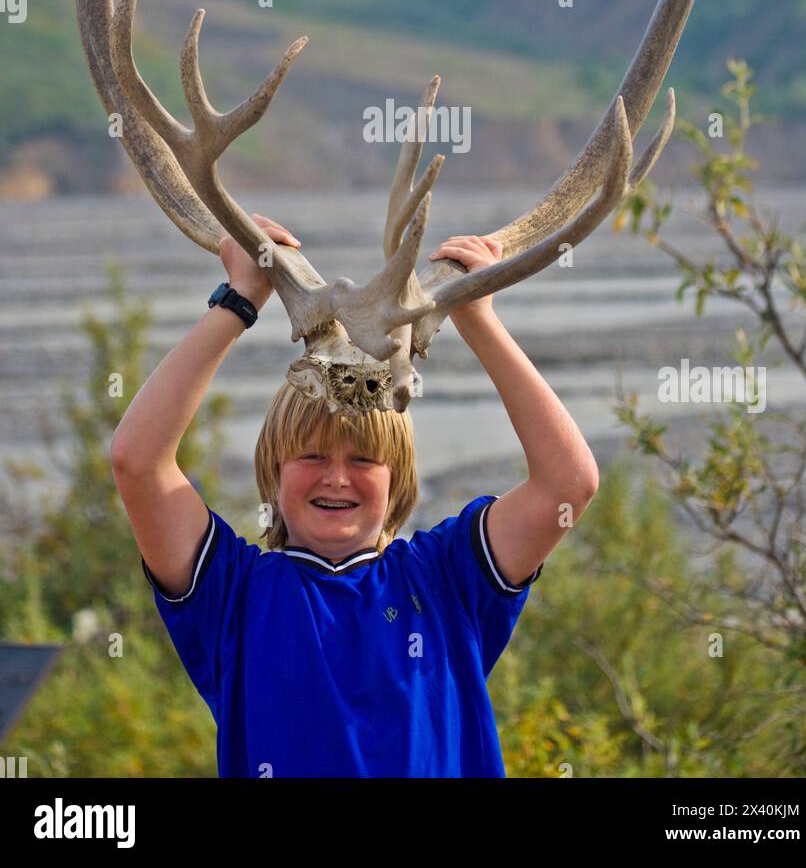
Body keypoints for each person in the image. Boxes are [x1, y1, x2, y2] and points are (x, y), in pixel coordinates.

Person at [111, 215, 599, 777]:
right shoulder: (233, 596)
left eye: (363, 460)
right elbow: (138, 464)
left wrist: (477, 318)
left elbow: (569, 485)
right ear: (274, 468)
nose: (336, 478)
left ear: (399, 479)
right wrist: (241, 297)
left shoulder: (446, 580)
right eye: (312, 456)